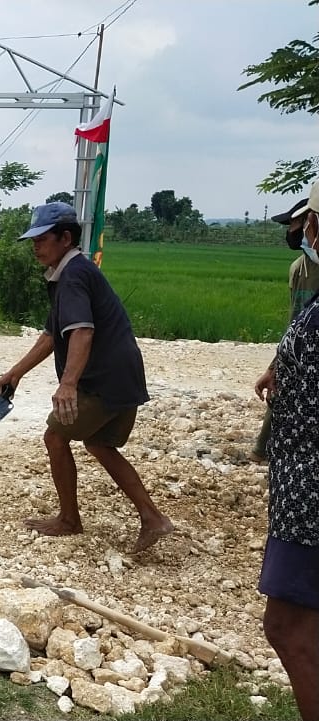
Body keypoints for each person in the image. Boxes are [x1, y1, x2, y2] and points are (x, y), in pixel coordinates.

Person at [0, 202, 173, 554]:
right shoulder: (69, 274)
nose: (35, 246)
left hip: (103, 379)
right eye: (33, 240)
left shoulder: (74, 274)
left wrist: (68, 384)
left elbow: (82, 333)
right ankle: (154, 519)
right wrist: (16, 373)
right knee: (98, 444)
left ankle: (69, 520)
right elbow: (52, 334)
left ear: (65, 238)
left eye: (42, 239)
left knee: (55, 437)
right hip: (122, 376)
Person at [253, 181, 319, 721]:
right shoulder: (308, 285)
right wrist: (284, 363)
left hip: (309, 494)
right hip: (298, 477)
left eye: (305, 223)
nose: (300, 233)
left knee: (288, 627)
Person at [252, 196, 319, 462]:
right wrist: (276, 365)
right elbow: (295, 321)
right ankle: (263, 451)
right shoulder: (298, 269)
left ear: (309, 224)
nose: (290, 233)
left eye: (293, 225)